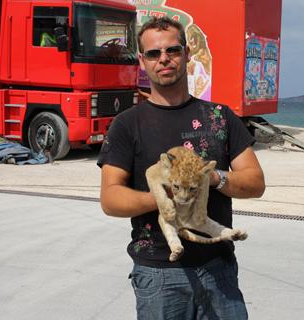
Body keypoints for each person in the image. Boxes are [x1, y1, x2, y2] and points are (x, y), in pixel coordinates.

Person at [97, 17, 265, 320]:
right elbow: (110, 199)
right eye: (153, 53)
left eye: (172, 50)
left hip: (219, 268)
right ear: (142, 61)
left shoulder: (220, 117)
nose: (164, 59)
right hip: (158, 272)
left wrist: (213, 178)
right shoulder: (127, 124)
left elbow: (255, 183)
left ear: (187, 54)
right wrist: (166, 197)